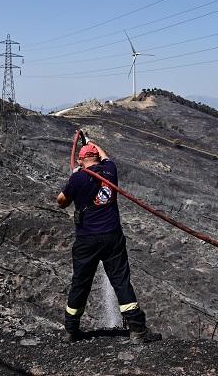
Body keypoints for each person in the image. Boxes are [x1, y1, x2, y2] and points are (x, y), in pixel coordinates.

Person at [56, 141, 161, 344]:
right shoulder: (110, 171)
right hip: (112, 236)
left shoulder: (77, 177)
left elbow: (61, 202)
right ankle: (138, 331)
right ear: (98, 158)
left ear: (80, 160)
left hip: (86, 239)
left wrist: (75, 179)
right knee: (121, 281)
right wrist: (93, 144)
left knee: (80, 283)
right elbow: (106, 158)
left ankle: (71, 331)